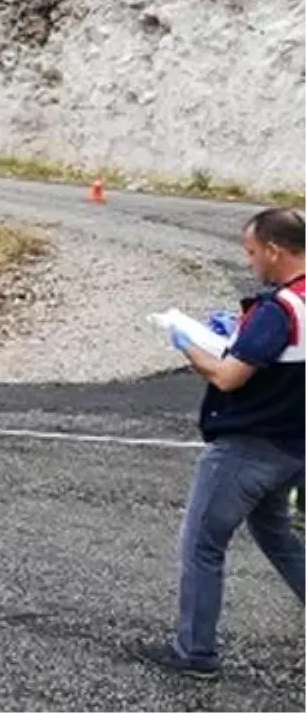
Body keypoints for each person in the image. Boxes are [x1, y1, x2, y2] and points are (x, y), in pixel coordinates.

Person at [135, 207, 306, 680]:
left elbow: (230, 378)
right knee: (278, 538)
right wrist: (239, 333)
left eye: (251, 253)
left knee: (202, 546)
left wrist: (190, 348)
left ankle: (196, 652)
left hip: (249, 446)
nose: (250, 262)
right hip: (295, 447)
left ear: (274, 250)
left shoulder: (279, 310)